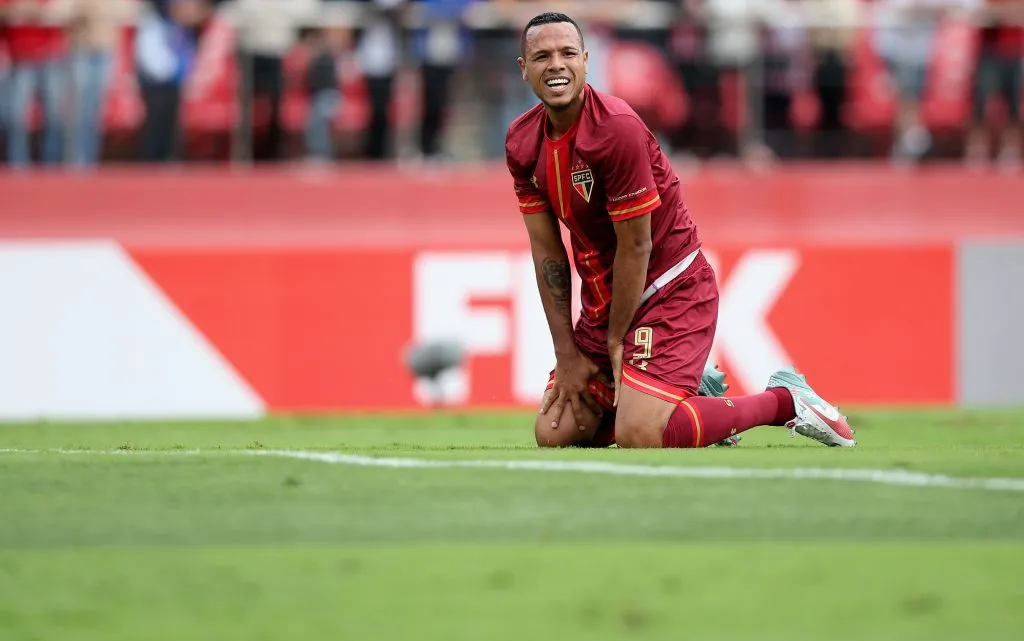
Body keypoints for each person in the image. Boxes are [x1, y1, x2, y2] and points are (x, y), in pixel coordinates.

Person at [505, 12, 856, 449]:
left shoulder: (616, 129)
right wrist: (567, 353)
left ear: (587, 61)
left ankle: (784, 400)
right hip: (604, 302)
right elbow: (547, 254)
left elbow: (638, 245)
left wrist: (616, 342)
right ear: (524, 68)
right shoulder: (521, 142)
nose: (555, 64)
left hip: (670, 289)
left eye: (567, 53)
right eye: (541, 56)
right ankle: (685, 403)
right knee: (553, 433)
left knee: (639, 434)